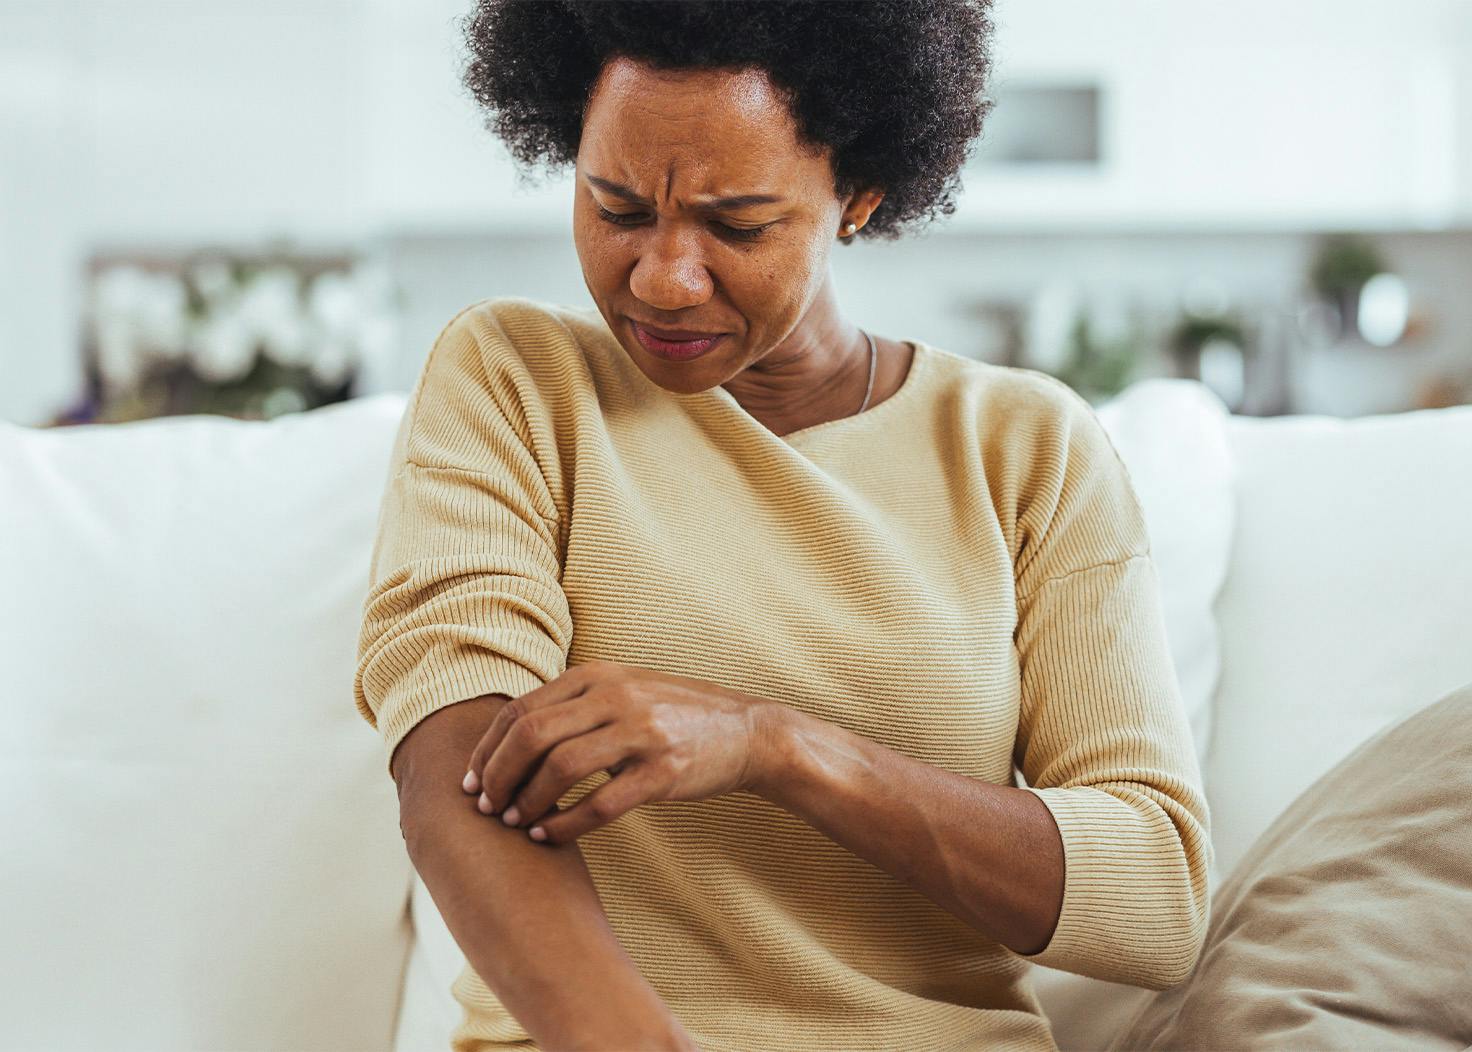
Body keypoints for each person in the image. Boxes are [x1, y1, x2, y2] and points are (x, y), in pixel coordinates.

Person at [352, 2, 1213, 1050]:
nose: (665, 276)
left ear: (858, 195)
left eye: (737, 224)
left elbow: (1158, 895)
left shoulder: (1022, 448)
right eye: (616, 207)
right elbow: (453, 767)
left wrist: (774, 745)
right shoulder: (515, 379)